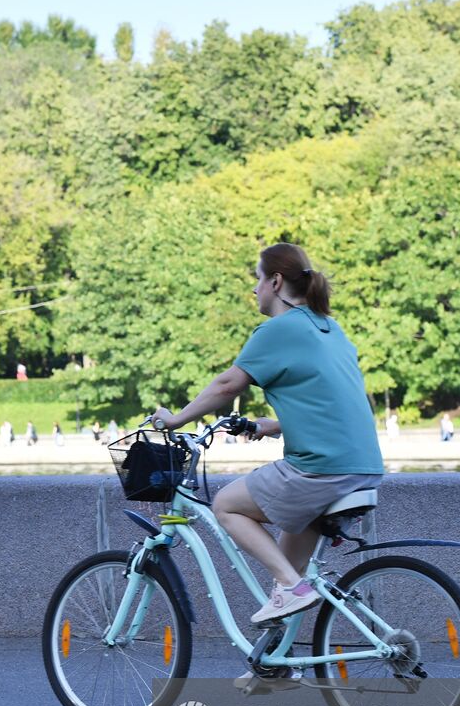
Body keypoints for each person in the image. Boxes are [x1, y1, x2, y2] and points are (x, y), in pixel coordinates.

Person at [151, 243, 383, 627]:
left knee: (226, 505)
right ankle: (272, 670)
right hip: (363, 465)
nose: (254, 290)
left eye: (257, 280)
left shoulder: (278, 329)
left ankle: (292, 587)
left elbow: (228, 385)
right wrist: (272, 425)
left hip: (321, 470)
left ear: (275, 282)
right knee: (286, 581)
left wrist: (175, 420)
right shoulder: (329, 327)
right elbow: (335, 403)